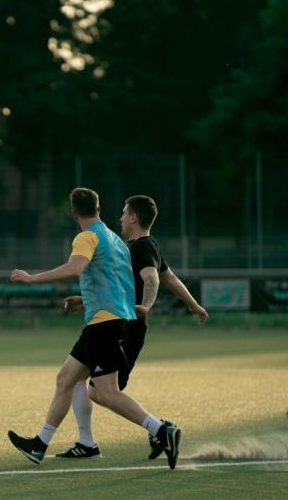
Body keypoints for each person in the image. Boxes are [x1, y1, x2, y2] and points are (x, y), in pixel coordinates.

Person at [7, 187, 182, 469]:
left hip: (104, 323)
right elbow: (119, 281)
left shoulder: (87, 236)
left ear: (73, 212)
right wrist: (86, 300)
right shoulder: (114, 239)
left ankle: (161, 430)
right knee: (66, 379)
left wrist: (31, 278)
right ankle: (40, 444)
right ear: (98, 208)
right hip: (108, 320)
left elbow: (75, 268)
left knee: (106, 393)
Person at [57, 195, 208, 461]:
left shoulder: (140, 248)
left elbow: (152, 279)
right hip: (116, 322)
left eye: (125, 213)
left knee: (101, 392)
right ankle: (89, 442)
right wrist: (193, 305)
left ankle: (160, 429)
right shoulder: (144, 246)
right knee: (79, 381)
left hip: (125, 328)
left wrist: (146, 306)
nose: (121, 218)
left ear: (134, 218)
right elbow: (170, 277)